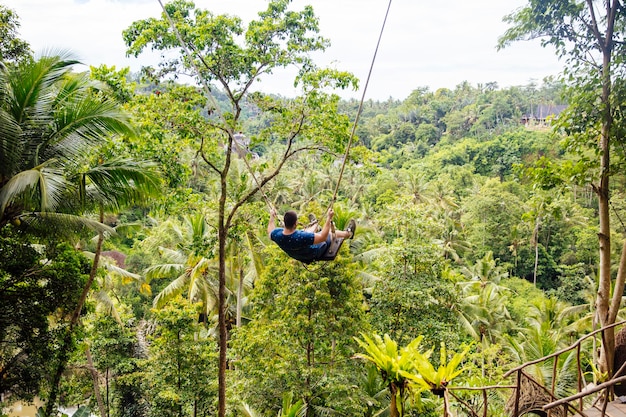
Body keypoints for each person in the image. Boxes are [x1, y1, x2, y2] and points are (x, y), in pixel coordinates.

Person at [268, 208, 356, 263]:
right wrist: (329, 218)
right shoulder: (301, 237)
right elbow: (323, 237)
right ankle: (348, 234)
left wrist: (272, 217)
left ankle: (315, 225)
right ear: (295, 224)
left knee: (305, 232)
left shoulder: (277, 234)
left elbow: (270, 232)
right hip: (313, 252)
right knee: (328, 232)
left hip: (297, 254)